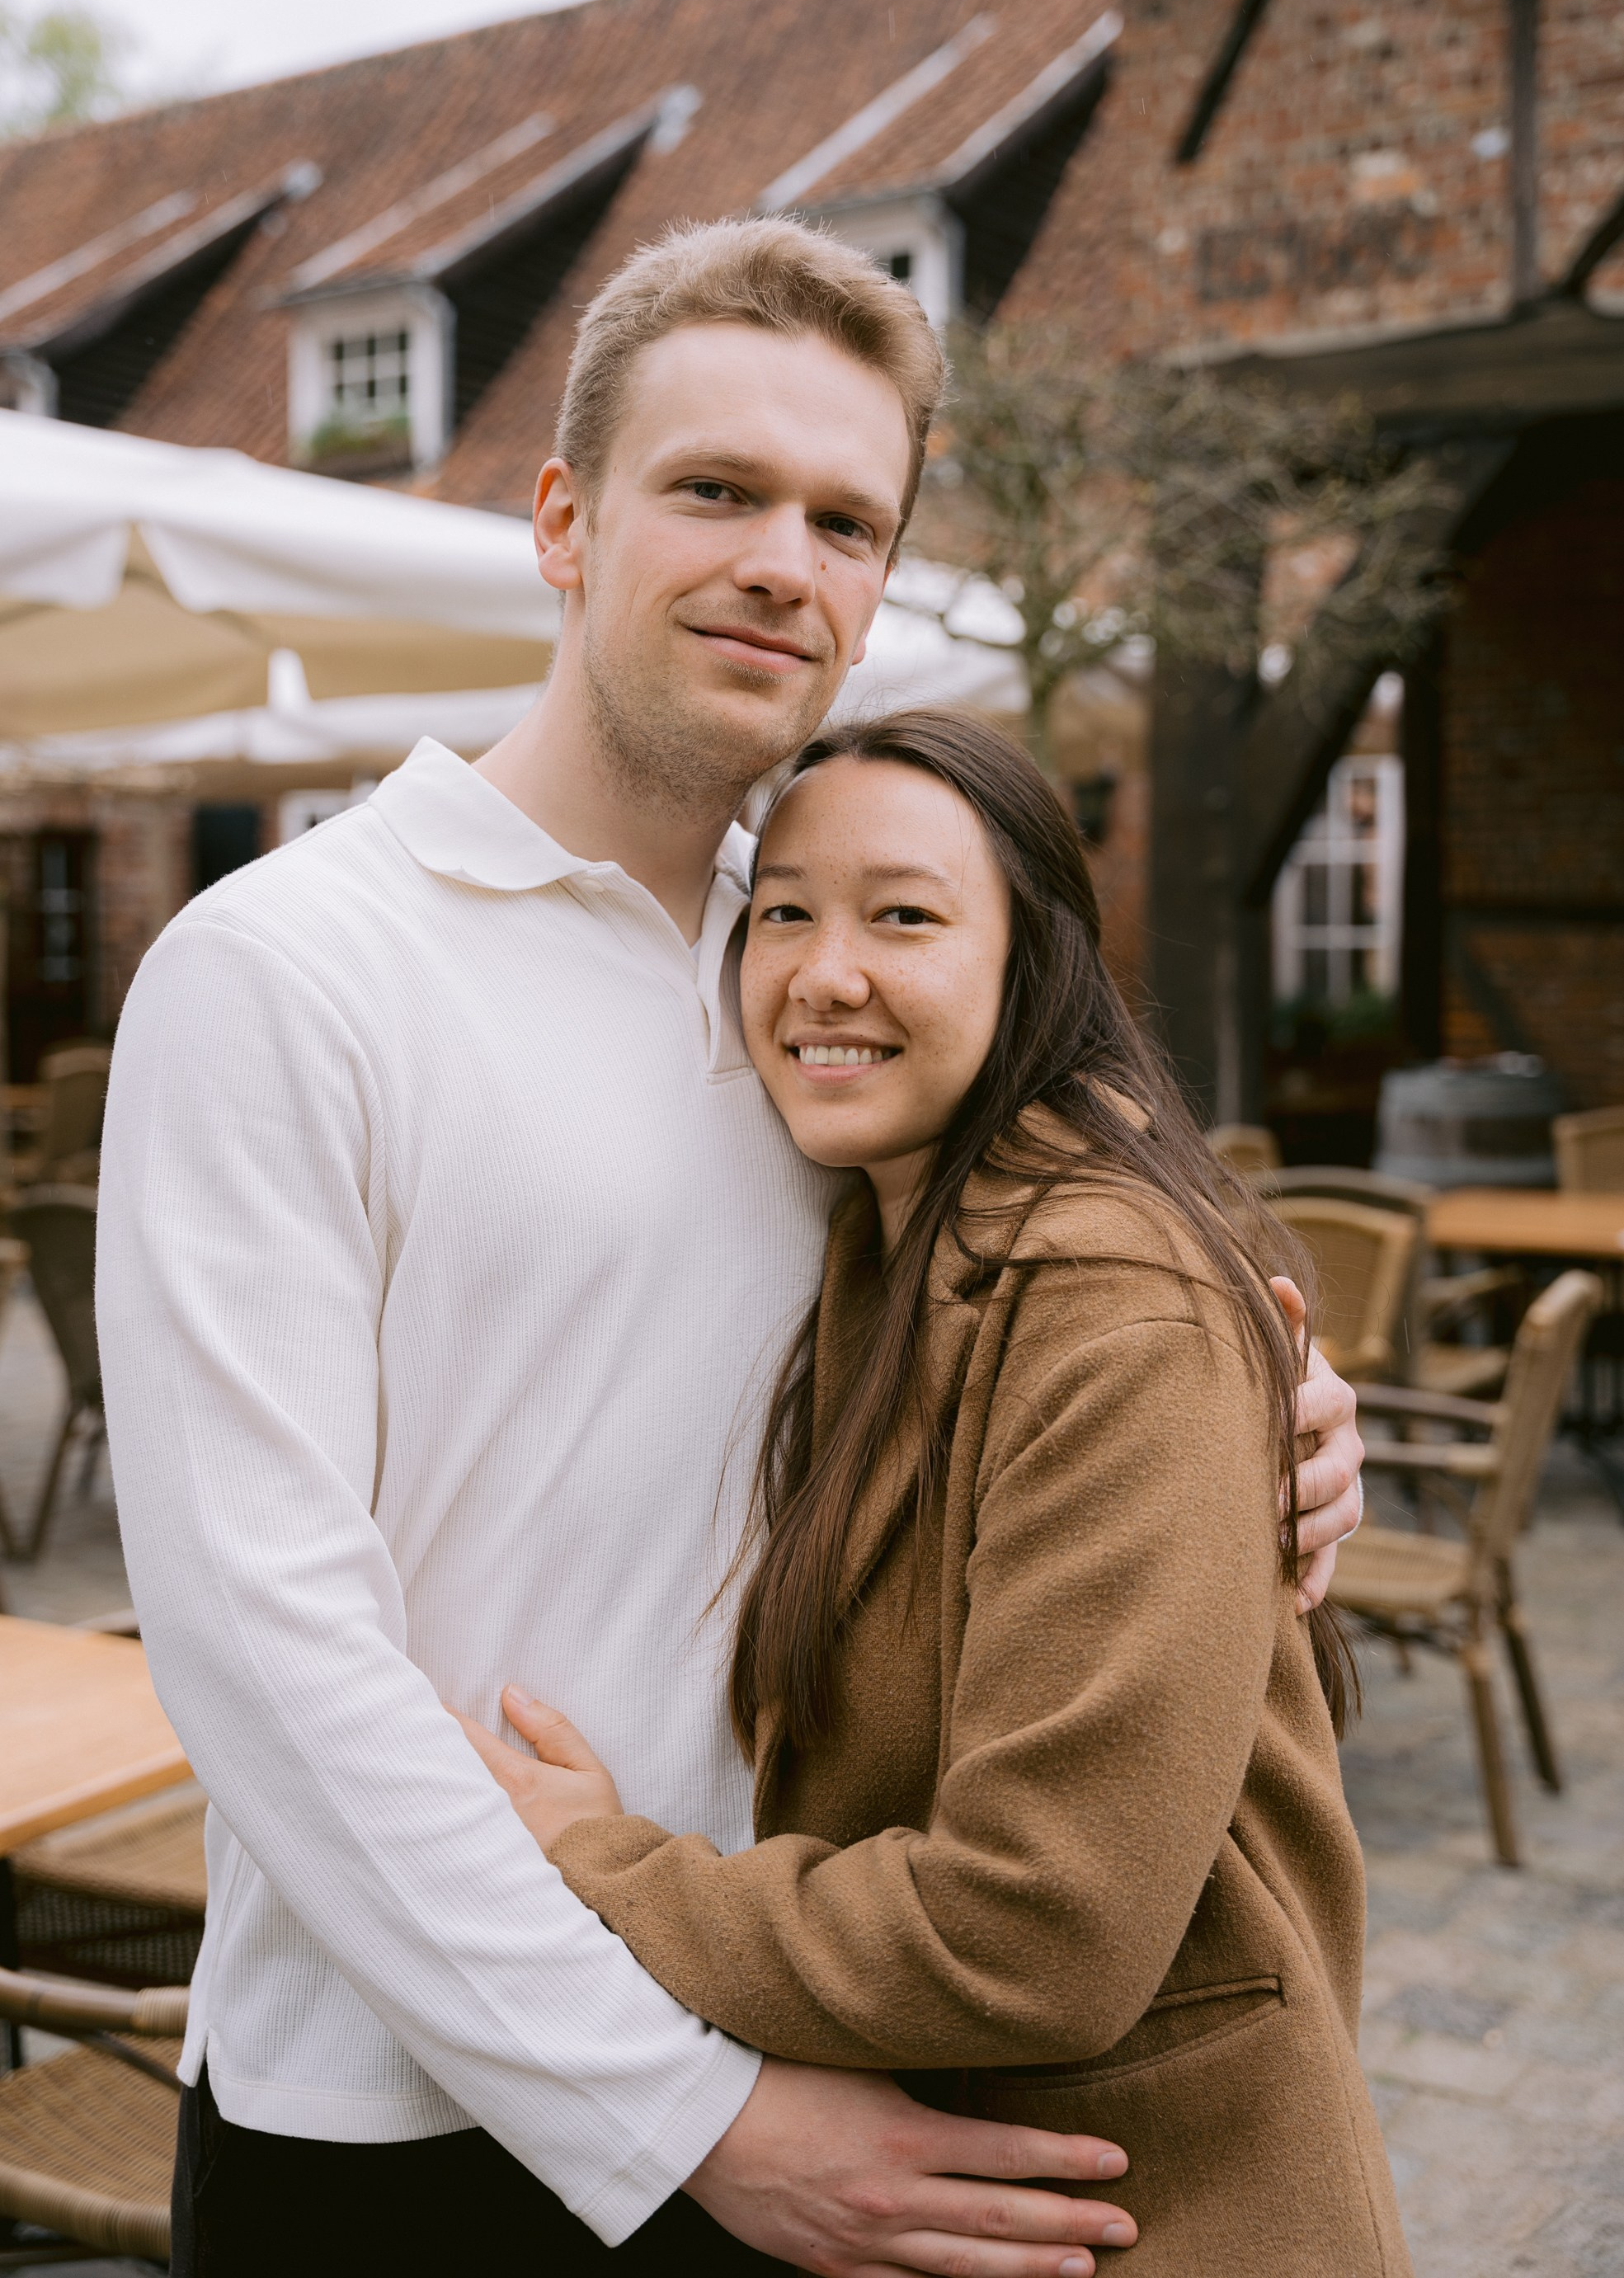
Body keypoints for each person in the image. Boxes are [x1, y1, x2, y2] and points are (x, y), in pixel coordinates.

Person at [100, 219, 1363, 2276]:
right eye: (716, 491)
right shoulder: (287, 968)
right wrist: (682, 2115)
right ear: (563, 520)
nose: (788, 557)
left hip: (811, 2048)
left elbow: (1065, 1282)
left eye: (845, 518)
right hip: (421, 2112)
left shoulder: (836, 982)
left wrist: (1286, 1412)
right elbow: (269, 1657)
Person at [457, 708, 1408, 2277]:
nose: (825, 973)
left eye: (903, 913)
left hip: (1150, 2201)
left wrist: (604, 1867)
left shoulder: (1112, 1295)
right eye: (783, 914)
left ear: (1030, 961)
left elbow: (1037, 1925)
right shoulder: (873, 1239)